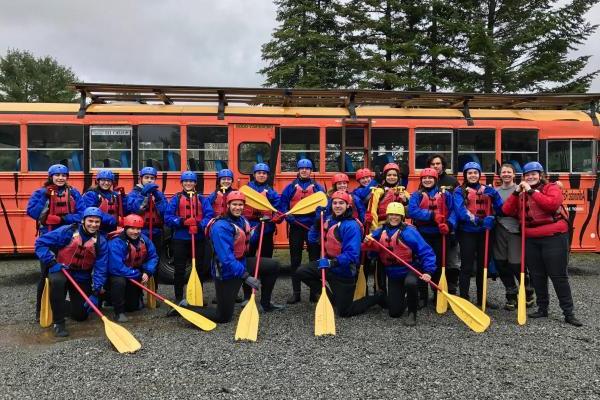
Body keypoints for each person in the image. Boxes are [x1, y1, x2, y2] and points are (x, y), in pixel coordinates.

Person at [502, 162, 582, 327]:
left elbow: (551, 205)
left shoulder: (551, 188)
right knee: (538, 276)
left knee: (558, 276)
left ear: (540, 175)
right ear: (523, 177)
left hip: (554, 236)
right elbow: (506, 210)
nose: (531, 177)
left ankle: (568, 313)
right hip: (531, 238)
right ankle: (542, 308)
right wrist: (516, 193)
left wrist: (532, 191)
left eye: (534, 174)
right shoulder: (521, 193)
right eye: (527, 175)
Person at [196, 191, 283, 322]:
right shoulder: (221, 226)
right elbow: (226, 259)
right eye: (234, 204)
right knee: (223, 316)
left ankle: (266, 304)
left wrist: (262, 226)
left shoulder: (242, 220)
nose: (238, 208)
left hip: (241, 263)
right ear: (228, 205)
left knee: (273, 265)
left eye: (241, 205)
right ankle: (186, 307)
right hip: (226, 272)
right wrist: (246, 276)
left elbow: (249, 239)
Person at [297, 191, 383, 317]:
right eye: (335, 203)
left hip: (343, 271)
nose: (337, 206)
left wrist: (332, 262)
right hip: (327, 265)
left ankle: (377, 298)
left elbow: (352, 254)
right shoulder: (329, 220)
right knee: (301, 272)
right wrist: (316, 224)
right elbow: (312, 240)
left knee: (344, 312)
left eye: (341, 203)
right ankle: (332, 299)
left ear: (348, 205)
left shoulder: (351, 226)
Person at [34, 207, 108, 337]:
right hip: (61, 269)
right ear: (83, 221)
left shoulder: (101, 241)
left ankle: (60, 306)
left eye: (97, 222)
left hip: (82, 275)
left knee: (80, 316)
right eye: (90, 221)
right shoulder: (67, 231)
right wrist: (51, 262)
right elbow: (40, 243)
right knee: (57, 281)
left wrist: (96, 291)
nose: (93, 224)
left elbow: (101, 267)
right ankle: (58, 322)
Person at [27, 163, 86, 321]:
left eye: (63, 175)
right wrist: (46, 199)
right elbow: (32, 212)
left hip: (69, 237)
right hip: (49, 236)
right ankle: (41, 311)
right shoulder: (41, 192)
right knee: (46, 274)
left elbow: (82, 214)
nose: (60, 178)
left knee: (68, 272)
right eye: (57, 175)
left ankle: (67, 306)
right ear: (51, 176)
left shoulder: (73, 193)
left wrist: (63, 218)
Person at [365, 202, 436, 326]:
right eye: (391, 214)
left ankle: (412, 312)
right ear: (387, 216)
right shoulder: (379, 231)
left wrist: (428, 271)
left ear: (402, 216)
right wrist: (369, 245)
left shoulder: (409, 232)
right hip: (393, 273)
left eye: (397, 215)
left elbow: (426, 251)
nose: (394, 217)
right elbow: (371, 254)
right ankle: (405, 297)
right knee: (394, 313)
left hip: (410, 268)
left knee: (410, 283)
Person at [453, 162, 503, 307]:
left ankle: (482, 299)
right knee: (467, 267)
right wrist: (480, 221)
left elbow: (500, 209)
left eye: (475, 173)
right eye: (470, 173)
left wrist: (495, 198)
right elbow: (461, 212)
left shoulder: (489, 190)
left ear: (479, 174)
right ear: (465, 175)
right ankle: (463, 298)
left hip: (485, 234)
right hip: (468, 233)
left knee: (483, 267)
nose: (473, 175)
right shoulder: (459, 191)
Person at [407, 168, 457, 307]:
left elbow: (453, 211)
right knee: (422, 263)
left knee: (440, 264)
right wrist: (431, 215)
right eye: (424, 178)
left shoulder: (445, 194)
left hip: (440, 234)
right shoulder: (417, 195)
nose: (427, 180)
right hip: (422, 234)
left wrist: (449, 224)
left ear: (435, 179)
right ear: (421, 180)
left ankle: (437, 293)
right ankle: (423, 295)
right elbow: (412, 211)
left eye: (430, 177)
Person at [277, 159, 324, 304]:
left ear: (311, 171)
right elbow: (282, 203)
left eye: (307, 168)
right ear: (298, 170)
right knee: (295, 260)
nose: (304, 170)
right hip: (296, 226)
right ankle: (296, 293)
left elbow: (323, 205)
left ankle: (314, 293)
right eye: (301, 168)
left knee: (314, 259)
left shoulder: (317, 187)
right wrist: (287, 215)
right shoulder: (290, 187)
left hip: (312, 228)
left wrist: (317, 219)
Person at [164, 171, 214, 305]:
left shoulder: (202, 199)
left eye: (191, 181)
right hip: (180, 238)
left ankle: (197, 296)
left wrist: (198, 224)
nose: (188, 183)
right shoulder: (176, 198)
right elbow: (167, 217)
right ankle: (179, 297)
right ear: (182, 183)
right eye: (186, 181)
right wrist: (182, 222)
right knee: (179, 269)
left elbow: (209, 215)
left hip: (198, 238)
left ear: (195, 183)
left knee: (198, 268)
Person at [493, 163, 535, 310]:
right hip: (499, 230)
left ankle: (528, 292)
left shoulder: (521, 190)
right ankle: (511, 294)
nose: (506, 174)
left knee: (516, 263)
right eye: (503, 172)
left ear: (514, 174)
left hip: (515, 231)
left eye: (509, 172)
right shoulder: (495, 191)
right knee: (501, 263)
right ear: (500, 175)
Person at [367, 162, 411, 294]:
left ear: (398, 177)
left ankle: (398, 289)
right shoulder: (378, 191)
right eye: (389, 175)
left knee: (398, 257)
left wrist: (406, 201)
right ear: (385, 176)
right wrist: (374, 231)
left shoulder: (404, 192)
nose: (392, 177)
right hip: (382, 228)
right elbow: (373, 211)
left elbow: (410, 212)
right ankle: (380, 289)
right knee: (380, 260)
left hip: (399, 230)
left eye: (394, 175)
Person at [107, 214, 158, 322]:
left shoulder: (144, 240)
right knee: (119, 281)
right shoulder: (116, 242)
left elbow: (153, 257)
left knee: (132, 308)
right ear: (125, 228)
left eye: (138, 229)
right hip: (118, 274)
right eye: (132, 228)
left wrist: (148, 271)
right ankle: (118, 311)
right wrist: (138, 274)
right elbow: (116, 267)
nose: (136, 232)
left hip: (133, 273)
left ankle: (134, 298)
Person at [125, 167, 166, 283]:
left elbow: (165, 213)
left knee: (154, 261)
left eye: (152, 178)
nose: (149, 180)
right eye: (146, 178)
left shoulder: (159, 194)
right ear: (140, 179)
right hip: (140, 233)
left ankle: (153, 291)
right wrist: (143, 196)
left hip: (156, 232)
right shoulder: (134, 194)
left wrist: (158, 199)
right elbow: (134, 210)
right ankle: (138, 294)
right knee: (137, 261)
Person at [243, 163, 281, 258]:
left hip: (266, 227)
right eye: (259, 173)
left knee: (266, 254)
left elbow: (278, 209)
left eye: (264, 173)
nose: (261, 175)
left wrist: (276, 217)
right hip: (249, 226)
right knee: (248, 253)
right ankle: (249, 271)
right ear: (254, 175)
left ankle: (265, 271)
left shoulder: (272, 193)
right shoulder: (246, 190)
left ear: (267, 176)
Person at [82, 169, 125, 235]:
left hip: (112, 228)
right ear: (98, 181)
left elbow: (124, 209)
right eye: (103, 180)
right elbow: (91, 212)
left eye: (108, 181)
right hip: (96, 229)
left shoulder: (114, 195)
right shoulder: (91, 194)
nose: (106, 183)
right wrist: (111, 219)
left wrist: (123, 196)